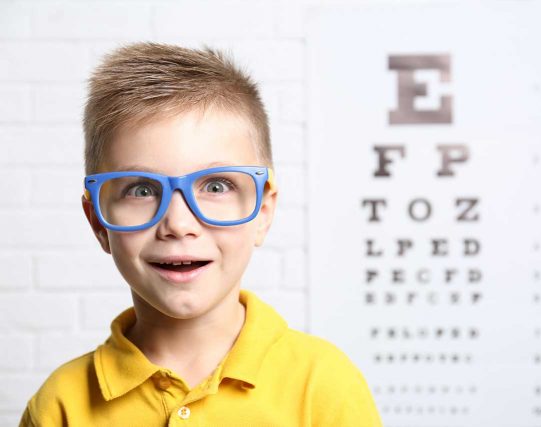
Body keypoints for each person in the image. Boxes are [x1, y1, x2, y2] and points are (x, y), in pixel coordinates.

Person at [19, 42, 382, 427]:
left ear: (263, 210)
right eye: (141, 189)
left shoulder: (323, 385)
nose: (178, 223)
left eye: (216, 186)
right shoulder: (61, 404)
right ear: (98, 221)